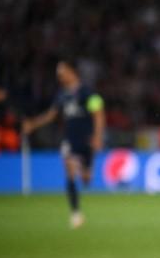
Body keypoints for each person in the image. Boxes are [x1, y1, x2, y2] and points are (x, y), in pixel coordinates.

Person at [22, 60, 105, 228]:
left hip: (86, 140)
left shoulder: (87, 92)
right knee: (69, 170)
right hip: (70, 140)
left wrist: (97, 136)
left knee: (87, 179)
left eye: (62, 73)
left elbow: (98, 113)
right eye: (58, 75)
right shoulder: (62, 95)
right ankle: (75, 213)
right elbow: (51, 115)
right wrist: (33, 124)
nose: (59, 77)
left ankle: (85, 168)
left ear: (72, 72)